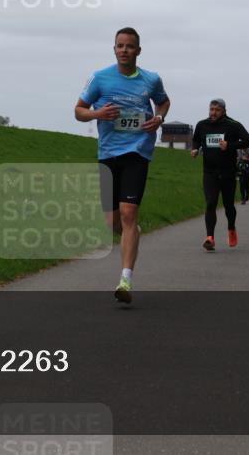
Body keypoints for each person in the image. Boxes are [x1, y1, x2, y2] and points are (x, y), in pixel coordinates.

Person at [75, 28, 170, 304]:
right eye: (120, 46)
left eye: (130, 46)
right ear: (114, 49)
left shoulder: (151, 80)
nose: (124, 50)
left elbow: (163, 102)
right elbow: (78, 111)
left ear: (138, 51)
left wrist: (159, 118)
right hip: (108, 154)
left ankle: (125, 279)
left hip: (137, 152)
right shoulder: (100, 78)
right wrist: (97, 113)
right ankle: (132, 234)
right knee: (113, 221)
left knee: (129, 213)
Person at [190, 99, 249, 251]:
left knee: (228, 205)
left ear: (224, 111)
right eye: (211, 109)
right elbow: (196, 140)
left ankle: (231, 228)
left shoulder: (233, 125)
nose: (213, 113)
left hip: (228, 172)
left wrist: (230, 145)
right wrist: (195, 149)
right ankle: (210, 238)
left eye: (216, 110)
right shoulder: (202, 125)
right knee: (210, 203)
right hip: (209, 172)